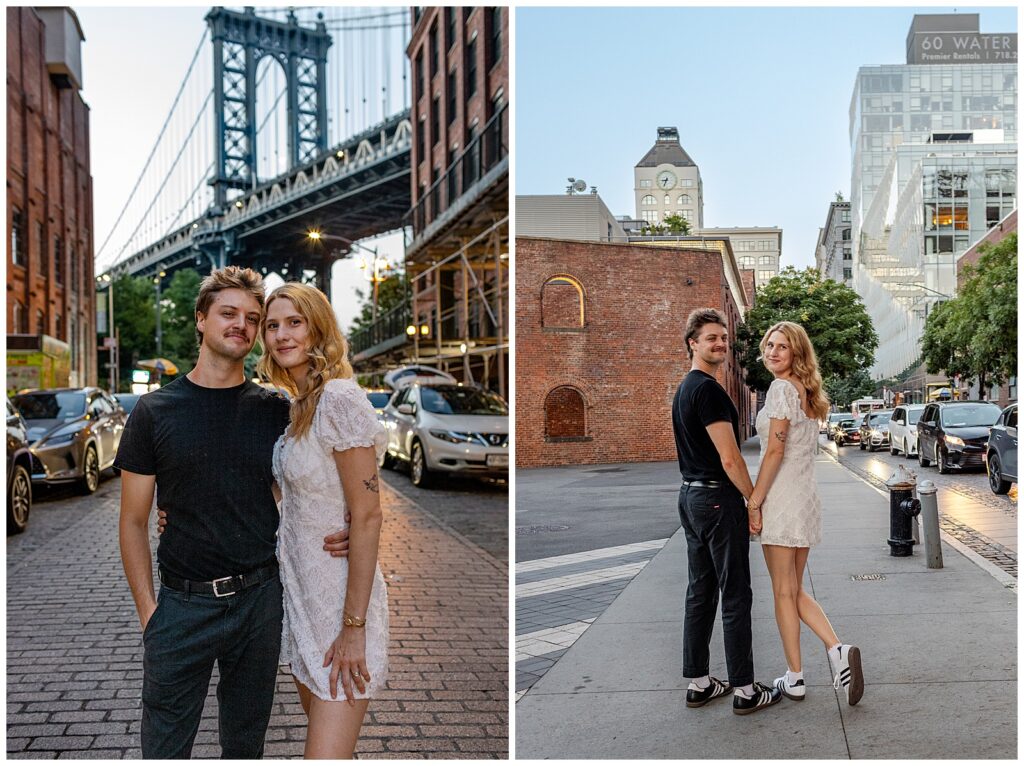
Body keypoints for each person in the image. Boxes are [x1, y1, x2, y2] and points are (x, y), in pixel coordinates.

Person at [117, 267, 351, 759]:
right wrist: (149, 615)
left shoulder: (277, 410)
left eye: (252, 318)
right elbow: (134, 522)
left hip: (260, 603)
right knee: (164, 747)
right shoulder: (154, 411)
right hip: (182, 606)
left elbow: (313, 486)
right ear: (200, 320)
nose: (241, 325)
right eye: (228, 314)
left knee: (246, 747)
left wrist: (347, 525)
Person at [257, 282, 389, 758]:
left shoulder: (339, 398)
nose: (281, 335)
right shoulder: (298, 407)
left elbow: (369, 514)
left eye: (294, 322)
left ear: (318, 328)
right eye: (272, 326)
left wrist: (353, 627)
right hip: (303, 607)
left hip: (340, 607)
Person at [672, 307, 782, 716]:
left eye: (723, 338)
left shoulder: (684, 389)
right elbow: (731, 458)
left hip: (690, 497)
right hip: (718, 500)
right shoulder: (709, 391)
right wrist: (753, 501)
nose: (720, 344)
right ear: (692, 344)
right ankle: (745, 689)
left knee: (700, 590)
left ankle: (699, 683)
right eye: (711, 338)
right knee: (735, 593)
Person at [748, 321, 864, 706]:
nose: (773, 352)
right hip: (805, 498)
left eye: (782, 346)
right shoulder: (806, 392)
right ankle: (835, 653)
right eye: (769, 345)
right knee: (793, 589)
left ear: (797, 353)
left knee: (783, 592)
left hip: (782, 499)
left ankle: (798, 675)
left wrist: (754, 500)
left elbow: (775, 452)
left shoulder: (781, 389)